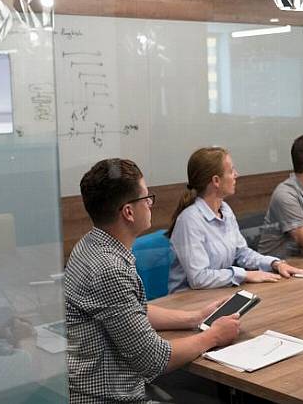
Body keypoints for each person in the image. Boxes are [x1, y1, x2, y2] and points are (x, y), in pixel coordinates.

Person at [65, 158, 241, 404]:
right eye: (146, 198)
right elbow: (154, 359)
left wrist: (196, 317)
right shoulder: (109, 269)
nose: (150, 204)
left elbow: (132, 312)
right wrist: (213, 336)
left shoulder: (91, 245)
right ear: (128, 211)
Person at [167, 147, 303, 292]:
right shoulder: (189, 220)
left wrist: (275, 264)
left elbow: (241, 253)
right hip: (188, 302)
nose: (236, 175)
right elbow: (199, 278)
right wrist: (244, 274)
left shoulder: (225, 210)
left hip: (218, 293)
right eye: (231, 171)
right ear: (216, 180)